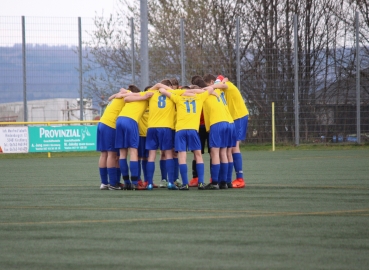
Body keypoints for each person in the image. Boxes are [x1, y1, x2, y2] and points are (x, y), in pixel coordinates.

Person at [158, 85, 216, 190]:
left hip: (180, 130)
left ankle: (185, 183)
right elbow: (211, 89)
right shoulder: (199, 98)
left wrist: (180, 91)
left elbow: (162, 90)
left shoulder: (179, 98)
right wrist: (195, 91)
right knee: (198, 155)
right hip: (193, 130)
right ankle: (201, 183)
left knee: (182, 156)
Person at [145, 80, 188, 190]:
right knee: (169, 154)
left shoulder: (152, 93)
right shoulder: (173, 93)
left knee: (151, 155)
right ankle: (170, 182)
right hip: (166, 127)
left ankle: (149, 183)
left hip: (151, 127)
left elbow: (156, 86)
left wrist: (159, 86)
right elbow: (189, 92)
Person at [114, 85, 153, 190]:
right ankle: (135, 182)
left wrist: (141, 96)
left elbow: (126, 97)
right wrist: (144, 97)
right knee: (133, 151)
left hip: (120, 120)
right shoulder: (148, 96)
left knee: (122, 153)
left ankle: (126, 182)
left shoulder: (138, 95)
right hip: (131, 121)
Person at [215, 76, 249, 188]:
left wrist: (209, 87)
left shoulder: (227, 85)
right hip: (234, 118)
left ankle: (240, 178)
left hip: (238, 116)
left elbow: (223, 83)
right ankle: (230, 178)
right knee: (231, 147)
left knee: (234, 147)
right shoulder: (225, 87)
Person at [96, 88, 132, 190]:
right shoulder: (129, 94)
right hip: (110, 125)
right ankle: (112, 183)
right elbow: (126, 91)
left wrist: (117, 94)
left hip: (102, 123)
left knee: (105, 154)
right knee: (113, 154)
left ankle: (105, 183)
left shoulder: (118, 96)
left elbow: (111, 97)